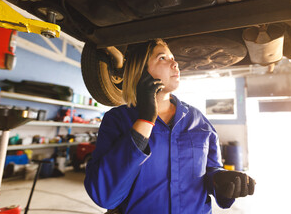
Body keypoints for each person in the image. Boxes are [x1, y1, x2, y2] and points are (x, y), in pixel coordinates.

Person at [84, 39, 255, 214]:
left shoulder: (198, 120)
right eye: (163, 58)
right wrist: (145, 120)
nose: (175, 63)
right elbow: (105, 195)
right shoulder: (117, 119)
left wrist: (220, 179)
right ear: (141, 71)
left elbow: (210, 170)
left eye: (173, 57)